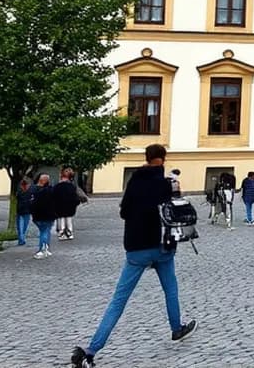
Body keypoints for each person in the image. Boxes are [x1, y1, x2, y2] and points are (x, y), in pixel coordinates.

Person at [70, 144, 195, 367]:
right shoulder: (166, 184)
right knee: (171, 289)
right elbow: (174, 211)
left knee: (119, 300)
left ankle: (91, 350)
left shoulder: (134, 181)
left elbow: (124, 212)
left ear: (146, 158)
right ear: (163, 159)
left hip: (136, 247)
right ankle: (176, 328)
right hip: (162, 246)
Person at [31, 173, 56, 259]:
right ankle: (46, 248)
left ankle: (43, 249)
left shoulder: (34, 190)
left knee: (43, 232)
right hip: (49, 215)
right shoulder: (51, 190)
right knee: (46, 231)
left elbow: (31, 203)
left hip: (38, 215)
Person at [54, 168, 82, 241]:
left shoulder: (57, 186)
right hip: (70, 206)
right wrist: (75, 203)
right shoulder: (72, 186)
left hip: (60, 206)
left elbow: (54, 196)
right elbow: (75, 197)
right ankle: (69, 233)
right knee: (68, 219)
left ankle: (62, 233)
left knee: (61, 219)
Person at [16, 177, 35, 246]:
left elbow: (17, 198)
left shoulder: (19, 191)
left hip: (20, 210)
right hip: (27, 210)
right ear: (28, 184)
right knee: (24, 226)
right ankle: (22, 238)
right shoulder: (30, 191)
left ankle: (21, 239)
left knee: (20, 226)